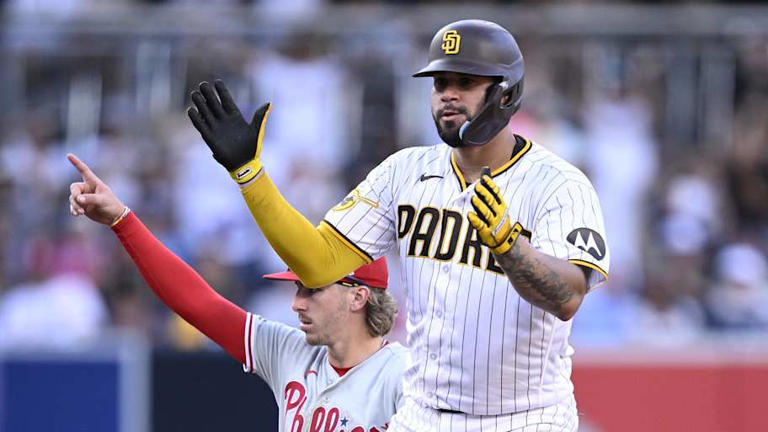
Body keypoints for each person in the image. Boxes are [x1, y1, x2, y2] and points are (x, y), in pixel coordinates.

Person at [187, 19, 609, 432]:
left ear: (506, 93)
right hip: (422, 414)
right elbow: (319, 264)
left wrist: (510, 248)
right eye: (440, 83)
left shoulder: (558, 184)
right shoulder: (405, 171)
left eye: (465, 82)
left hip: (525, 418)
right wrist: (250, 175)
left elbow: (567, 297)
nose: (448, 95)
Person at [65, 153, 407, 431]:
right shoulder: (290, 351)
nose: (296, 303)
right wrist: (121, 220)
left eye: (312, 290)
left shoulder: (405, 375)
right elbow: (198, 303)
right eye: (298, 289)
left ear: (358, 297)